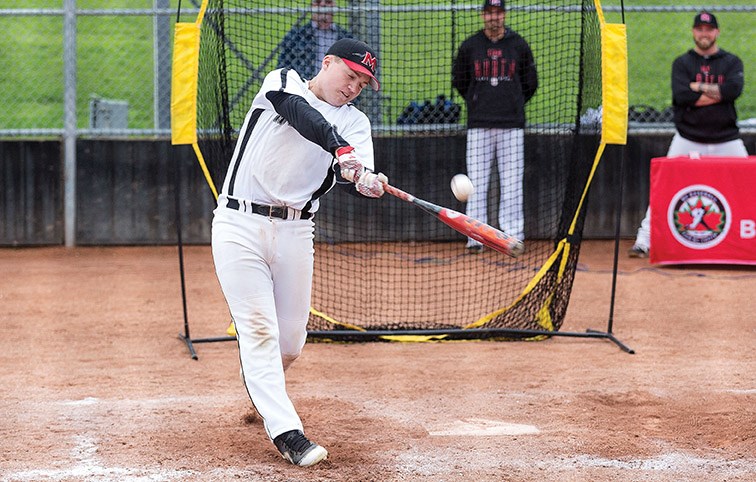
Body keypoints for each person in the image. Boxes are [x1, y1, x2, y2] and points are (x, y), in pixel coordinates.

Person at [212, 38, 385, 467]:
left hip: (295, 231)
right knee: (259, 332)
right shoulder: (284, 81)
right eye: (350, 76)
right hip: (239, 225)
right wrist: (339, 149)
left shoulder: (357, 124)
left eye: (363, 83)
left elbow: (352, 171)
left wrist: (364, 180)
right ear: (326, 63)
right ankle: (289, 433)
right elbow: (303, 117)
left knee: (289, 342)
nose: (354, 88)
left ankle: (258, 379)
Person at [629, 11, 748, 258]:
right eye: (700, 29)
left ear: (717, 32)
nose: (704, 33)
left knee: (750, 186)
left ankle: (750, 239)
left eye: (709, 29)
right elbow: (681, 96)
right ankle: (644, 239)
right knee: (663, 188)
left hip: (727, 139)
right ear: (694, 31)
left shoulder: (732, 62)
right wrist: (716, 94)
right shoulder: (682, 63)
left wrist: (698, 89)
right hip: (688, 138)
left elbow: (733, 90)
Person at [451, 0, 538, 253]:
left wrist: (512, 102)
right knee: (476, 181)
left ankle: (512, 237)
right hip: (479, 123)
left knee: (512, 182)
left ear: (504, 15)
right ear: (483, 16)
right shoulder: (470, 46)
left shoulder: (518, 45)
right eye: (489, 13)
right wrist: (478, 101)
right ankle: (475, 237)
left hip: (511, 124)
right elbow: (460, 81)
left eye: (498, 13)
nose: (494, 18)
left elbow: (530, 83)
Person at [277, 0, 352, 81]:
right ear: (311, 6)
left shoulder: (345, 37)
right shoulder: (297, 36)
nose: (323, 5)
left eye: (328, 2)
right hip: (304, 88)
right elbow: (282, 67)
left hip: (337, 87)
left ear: (334, 6)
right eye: (318, 2)